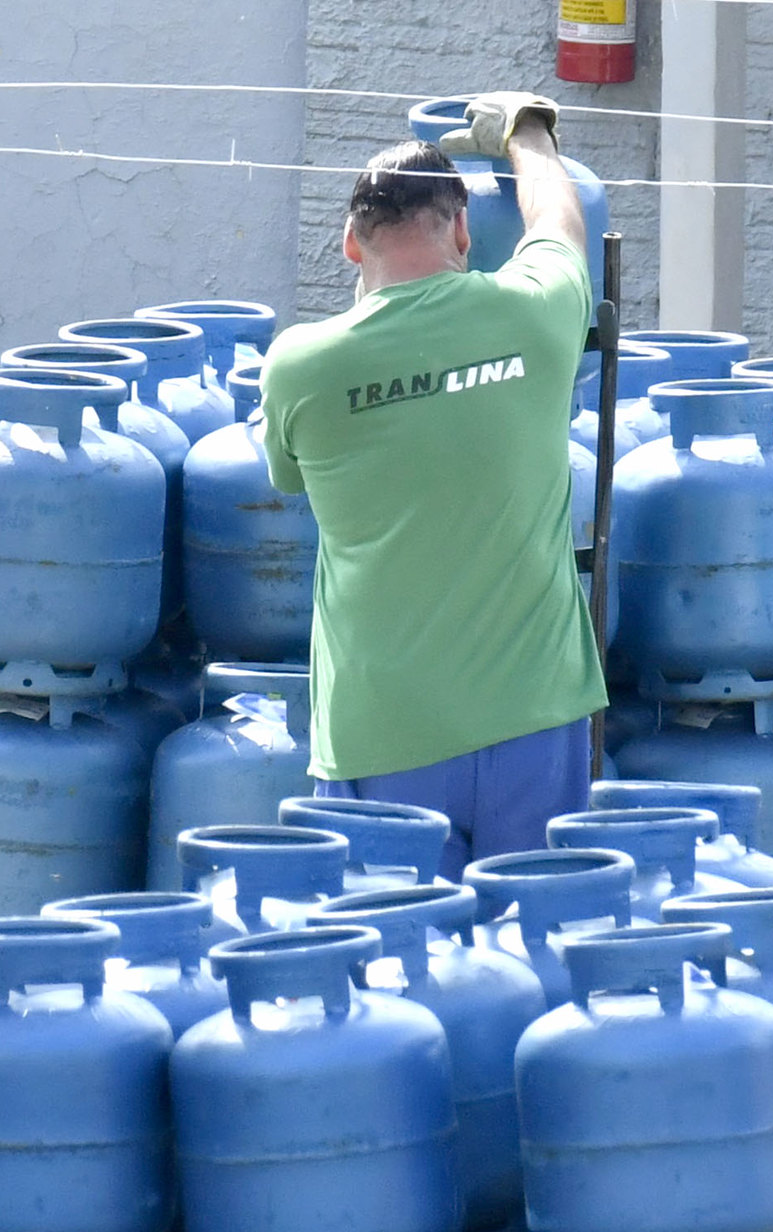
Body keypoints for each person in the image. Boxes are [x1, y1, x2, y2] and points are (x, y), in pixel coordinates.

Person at [258, 92, 605, 879]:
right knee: (534, 957)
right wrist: (527, 131)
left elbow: (286, 476)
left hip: (384, 726)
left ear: (351, 244)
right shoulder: (535, 314)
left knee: (391, 969)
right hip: (535, 714)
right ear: (462, 232)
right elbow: (558, 220)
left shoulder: (302, 363)